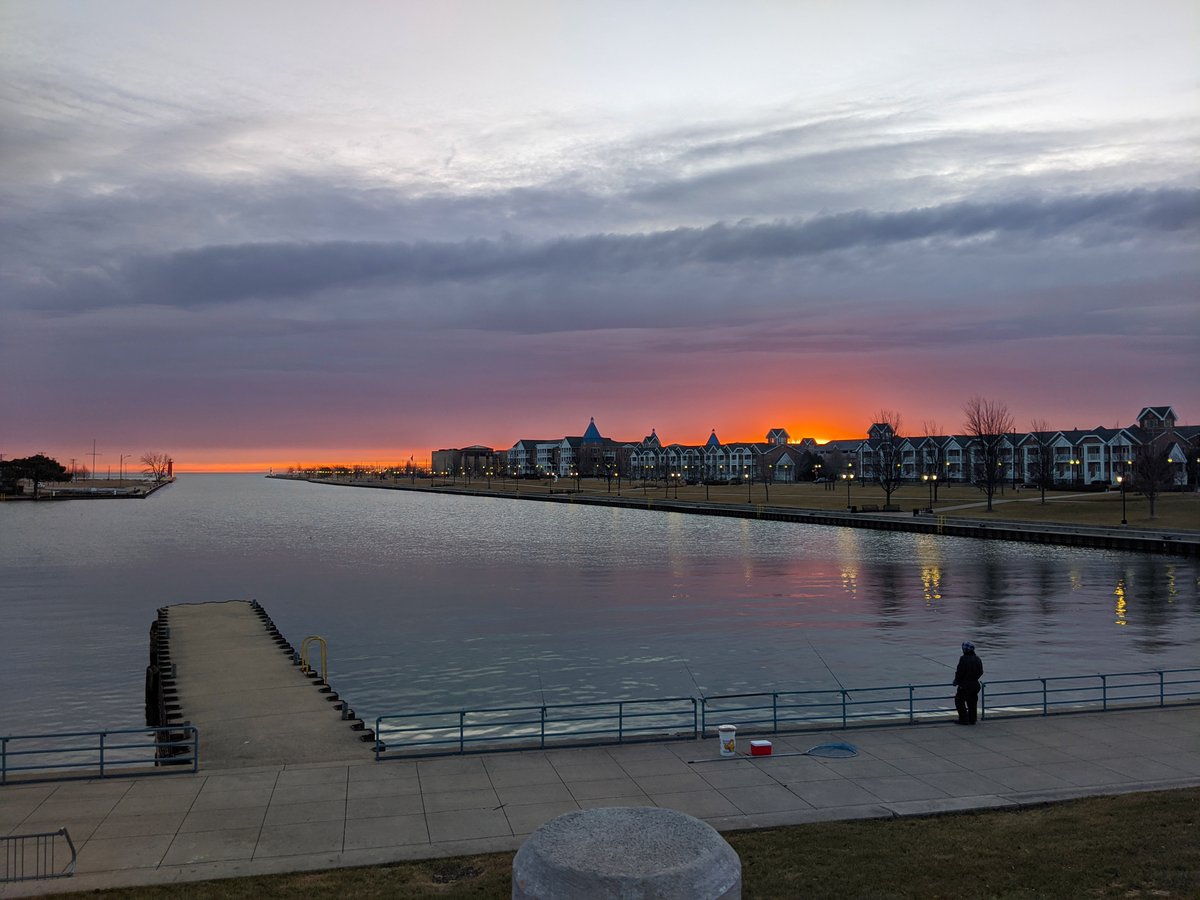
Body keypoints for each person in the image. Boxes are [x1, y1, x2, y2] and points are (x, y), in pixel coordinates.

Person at [953, 640, 983, 724]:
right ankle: (972, 719)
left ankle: (964, 719)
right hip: (975, 685)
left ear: (964, 650)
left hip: (965, 685)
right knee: (972, 702)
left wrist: (956, 681)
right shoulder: (977, 659)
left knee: (959, 700)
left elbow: (960, 672)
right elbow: (981, 671)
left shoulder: (963, 659)